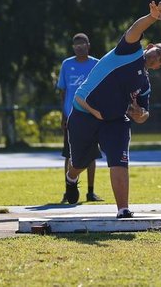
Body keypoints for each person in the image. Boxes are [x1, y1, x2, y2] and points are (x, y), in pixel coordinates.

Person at [64, 1, 161, 218]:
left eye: (160, 60)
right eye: (157, 52)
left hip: (114, 121)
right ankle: (71, 178)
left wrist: (140, 115)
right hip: (85, 113)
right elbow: (136, 29)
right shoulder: (129, 51)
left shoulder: (145, 84)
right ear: (150, 46)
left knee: (119, 159)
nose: (156, 58)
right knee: (79, 163)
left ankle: (123, 209)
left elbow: (143, 114)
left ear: (159, 66)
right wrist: (151, 18)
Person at [57, 33, 102, 203]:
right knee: (70, 154)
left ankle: (91, 192)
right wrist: (64, 115)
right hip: (72, 116)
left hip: (91, 115)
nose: (79, 47)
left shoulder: (96, 64)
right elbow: (63, 91)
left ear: (88, 45)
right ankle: (69, 189)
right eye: (76, 45)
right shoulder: (67, 65)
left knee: (91, 153)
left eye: (82, 44)